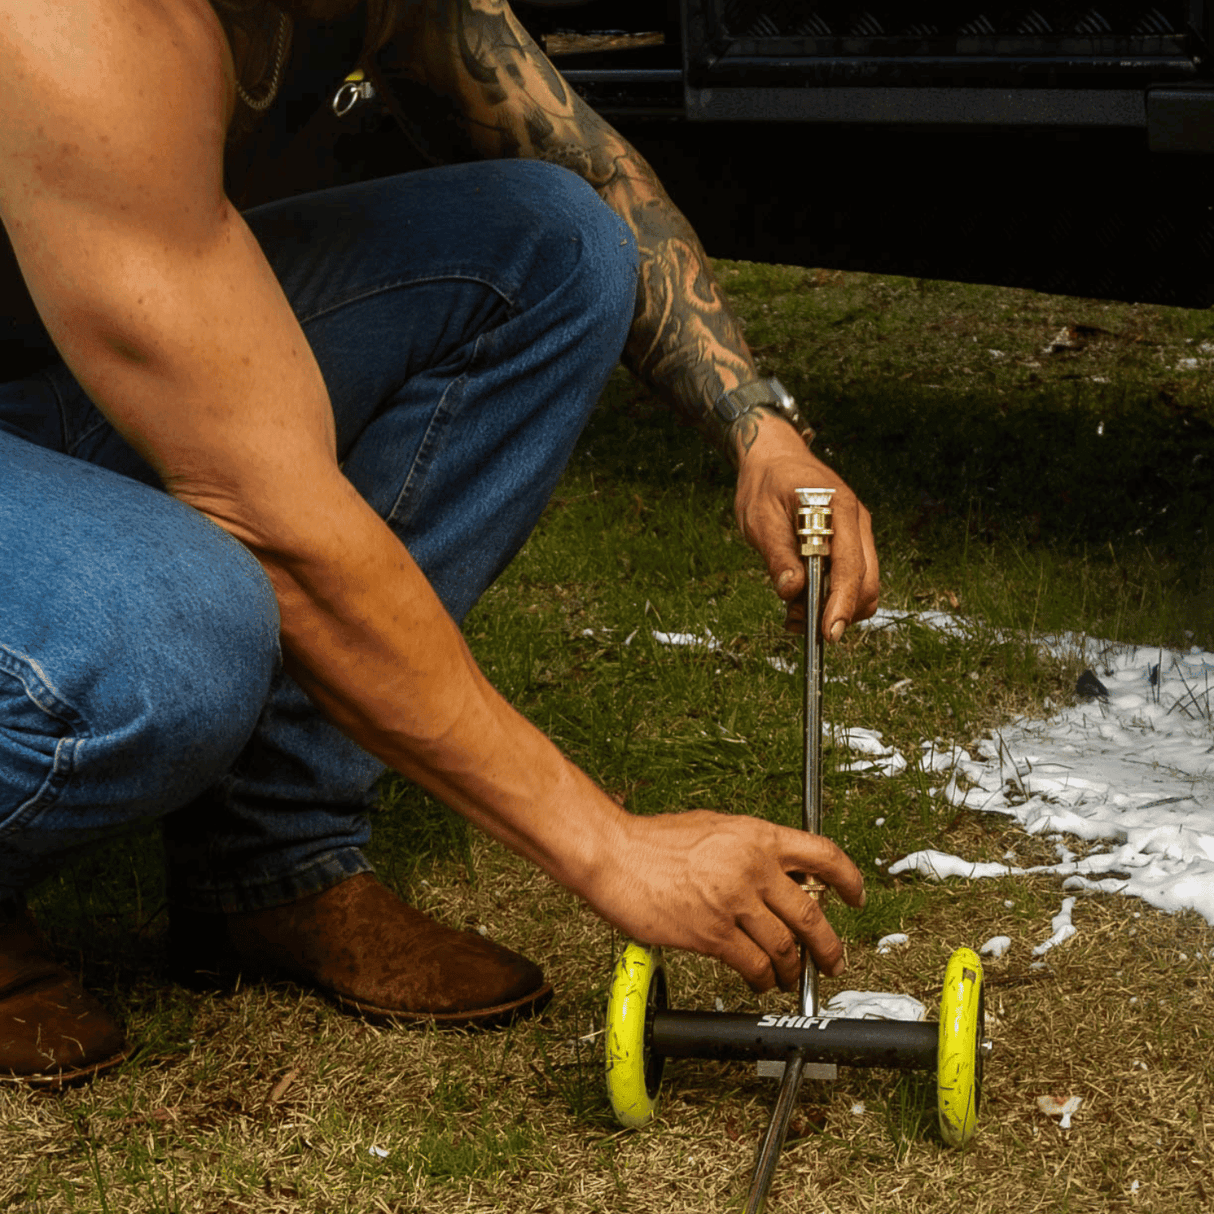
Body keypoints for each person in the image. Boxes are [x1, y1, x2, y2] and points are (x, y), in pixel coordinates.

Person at [0, 0, 879, 1085]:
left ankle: (270, 864)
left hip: (65, 348)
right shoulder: (80, 24)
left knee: (556, 242)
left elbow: (589, 166)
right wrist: (612, 846)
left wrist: (760, 430)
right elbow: (277, 527)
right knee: (181, 629)